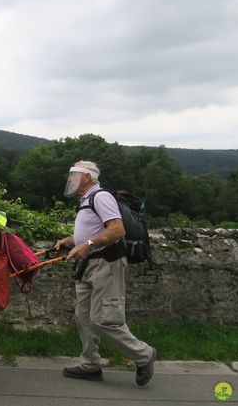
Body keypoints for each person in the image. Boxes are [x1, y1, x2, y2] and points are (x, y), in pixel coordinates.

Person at [55, 161, 157, 386]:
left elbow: (117, 230)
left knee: (105, 319)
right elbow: (93, 231)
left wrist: (88, 245)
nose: (70, 179)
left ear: (87, 178)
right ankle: (90, 365)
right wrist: (70, 241)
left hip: (106, 264)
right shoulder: (86, 200)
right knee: (83, 316)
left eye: (74, 175)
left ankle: (144, 355)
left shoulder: (100, 197)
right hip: (89, 264)